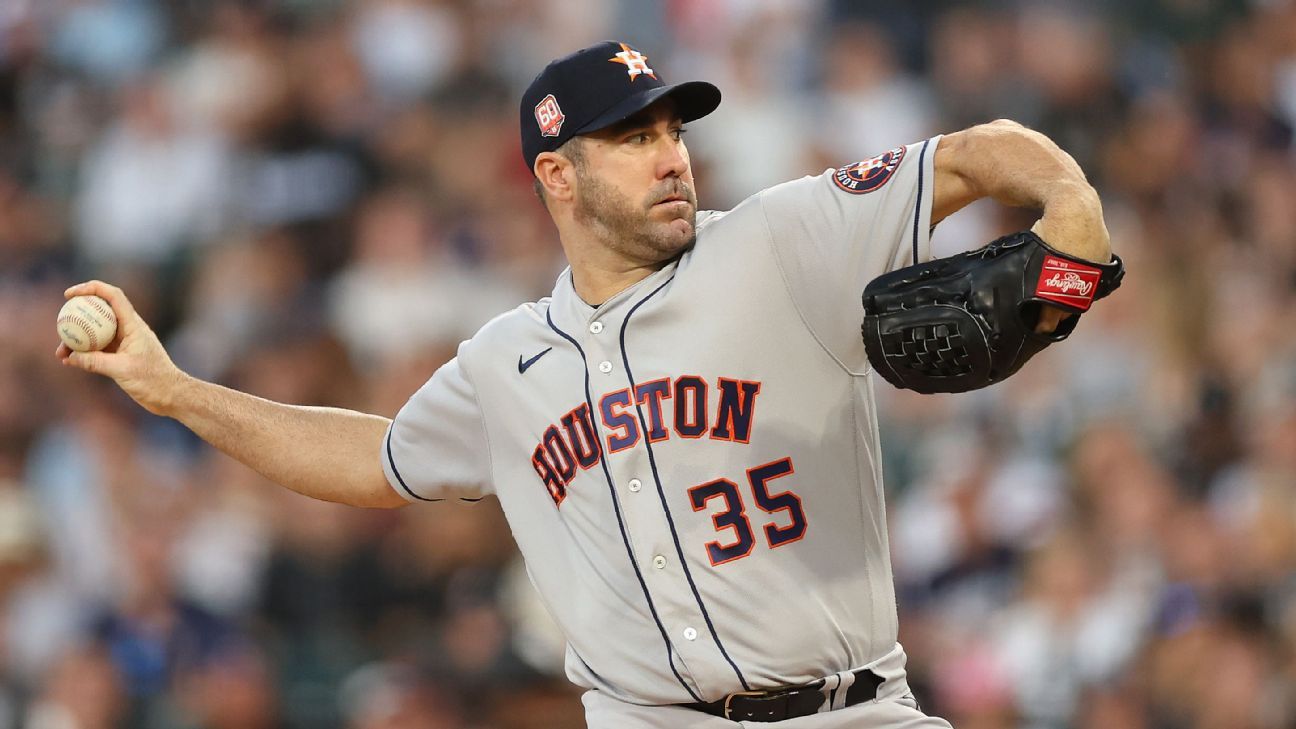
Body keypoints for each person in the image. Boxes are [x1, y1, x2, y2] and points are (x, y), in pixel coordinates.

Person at [58, 41, 1112, 727]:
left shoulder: (782, 241)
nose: (670, 158)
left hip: (852, 711)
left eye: (672, 132)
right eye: (633, 138)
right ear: (555, 175)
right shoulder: (506, 360)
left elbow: (984, 154)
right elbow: (372, 460)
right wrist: (177, 391)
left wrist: (1068, 234)